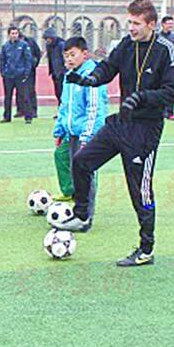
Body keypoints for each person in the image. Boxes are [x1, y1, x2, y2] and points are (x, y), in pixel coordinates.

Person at [57, 0, 174, 267]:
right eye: (130, 22)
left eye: (136, 23)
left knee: (140, 191)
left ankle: (146, 249)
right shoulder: (126, 44)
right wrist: (89, 79)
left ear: (151, 23)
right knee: (81, 161)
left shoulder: (166, 50)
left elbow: (172, 92)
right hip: (120, 123)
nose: (132, 28)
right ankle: (81, 215)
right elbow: (108, 68)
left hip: (145, 131)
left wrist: (141, 98)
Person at [52, 36, 108, 216]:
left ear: (85, 54)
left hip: (85, 133)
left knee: (85, 169)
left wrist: (88, 136)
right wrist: (59, 130)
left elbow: (95, 109)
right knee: (62, 156)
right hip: (71, 132)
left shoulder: (91, 77)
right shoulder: (69, 76)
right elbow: (64, 105)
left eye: (72, 55)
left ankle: (85, 211)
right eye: (66, 55)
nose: (68, 59)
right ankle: (72, 194)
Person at [0, 26, 34, 124]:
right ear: (9, 34)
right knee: (7, 97)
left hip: (20, 75)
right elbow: (2, 60)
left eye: (16, 33)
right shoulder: (5, 46)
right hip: (9, 75)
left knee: (24, 96)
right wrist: (3, 72)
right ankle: (7, 117)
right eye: (12, 33)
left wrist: (26, 72)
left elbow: (28, 59)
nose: (14, 35)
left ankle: (28, 116)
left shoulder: (23, 45)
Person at [159, 16, 174, 119]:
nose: (170, 26)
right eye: (169, 24)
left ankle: (170, 112)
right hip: (159, 68)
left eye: (172, 24)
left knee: (171, 89)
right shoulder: (157, 37)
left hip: (172, 68)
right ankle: (160, 111)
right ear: (163, 24)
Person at [43, 28, 67, 106]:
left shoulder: (61, 44)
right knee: (58, 92)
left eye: (48, 38)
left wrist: (64, 71)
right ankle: (60, 110)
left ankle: (64, 110)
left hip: (62, 72)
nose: (47, 40)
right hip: (55, 72)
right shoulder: (48, 46)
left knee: (63, 93)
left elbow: (65, 58)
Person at [21, 32, 42, 118]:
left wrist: (34, 64)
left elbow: (38, 53)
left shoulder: (30, 42)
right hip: (19, 70)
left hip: (30, 69)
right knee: (20, 91)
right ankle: (21, 110)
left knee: (30, 90)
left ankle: (33, 110)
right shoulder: (12, 44)